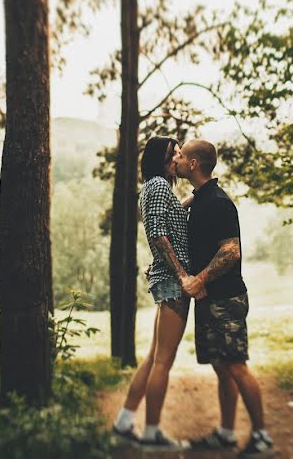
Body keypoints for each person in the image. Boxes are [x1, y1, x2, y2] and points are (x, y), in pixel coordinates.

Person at [174, 139, 275, 456]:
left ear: (193, 164)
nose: (176, 159)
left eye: (181, 155)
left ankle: (261, 437)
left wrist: (199, 280)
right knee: (221, 365)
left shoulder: (217, 202)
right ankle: (227, 434)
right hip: (209, 298)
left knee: (236, 365)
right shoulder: (203, 199)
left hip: (225, 298)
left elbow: (231, 251)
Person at [111, 136, 202, 450]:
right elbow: (158, 234)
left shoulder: (156, 188)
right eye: (176, 153)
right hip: (174, 283)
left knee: (153, 358)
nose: (180, 157)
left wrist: (194, 198)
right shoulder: (160, 187)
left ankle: (124, 421)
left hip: (166, 279)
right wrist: (182, 274)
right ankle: (151, 432)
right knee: (163, 361)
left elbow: (170, 217)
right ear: (164, 159)